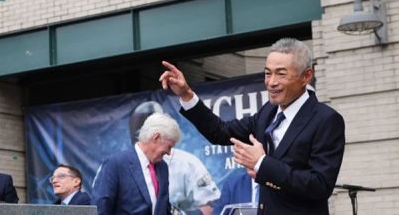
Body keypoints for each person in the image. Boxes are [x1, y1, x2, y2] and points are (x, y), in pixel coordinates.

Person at [160, 38, 345, 215]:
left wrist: (262, 163)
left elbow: (319, 186)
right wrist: (186, 95)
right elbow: (221, 132)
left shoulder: (326, 120)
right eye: (267, 73)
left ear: (306, 76)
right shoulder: (268, 113)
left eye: (281, 74)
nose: (271, 82)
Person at [130, 101, 219, 215]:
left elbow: (213, 205)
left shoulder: (188, 164)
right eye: (138, 137)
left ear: (156, 136)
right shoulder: (121, 166)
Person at [92, 112, 180, 215]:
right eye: (169, 146)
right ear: (156, 137)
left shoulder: (163, 167)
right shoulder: (116, 164)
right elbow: (101, 208)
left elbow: (164, 207)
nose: (169, 153)